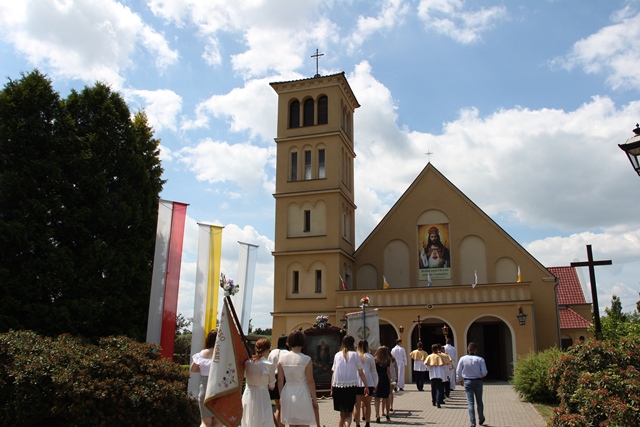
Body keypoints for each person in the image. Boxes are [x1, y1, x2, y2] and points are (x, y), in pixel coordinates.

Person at [278, 330, 319, 427]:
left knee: (292, 424)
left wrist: (281, 396)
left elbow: (280, 380)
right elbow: (310, 381)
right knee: (303, 423)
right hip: (302, 393)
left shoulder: (282, 358)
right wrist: (314, 399)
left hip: (287, 392)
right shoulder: (306, 359)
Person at [331, 335, 369, 427]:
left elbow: (333, 373)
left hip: (338, 386)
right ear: (352, 344)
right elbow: (361, 372)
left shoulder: (337, 355)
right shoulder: (354, 355)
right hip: (351, 387)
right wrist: (366, 385)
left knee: (342, 413)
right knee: (349, 413)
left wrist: (331, 387)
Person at [190, 329, 222, 427]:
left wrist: (204, 369)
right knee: (218, 422)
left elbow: (193, 369)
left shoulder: (203, 353)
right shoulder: (223, 353)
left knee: (205, 422)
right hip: (219, 388)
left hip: (205, 387)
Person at [242, 338, 276, 427]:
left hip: (248, 393)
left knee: (248, 419)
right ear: (267, 350)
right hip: (262, 395)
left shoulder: (247, 363)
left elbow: (244, 376)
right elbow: (272, 385)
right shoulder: (269, 365)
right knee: (264, 419)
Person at [456, 342, 488, 427]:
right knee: (479, 401)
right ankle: (481, 418)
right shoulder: (480, 359)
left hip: (468, 381)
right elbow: (484, 372)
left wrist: (460, 379)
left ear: (468, 349)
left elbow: (458, 370)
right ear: (476, 350)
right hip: (478, 381)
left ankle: (473, 422)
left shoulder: (463, 359)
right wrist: (480, 375)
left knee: (470, 402)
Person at [354, 340, 377, 427]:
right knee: (368, 405)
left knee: (357, 405)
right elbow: (373, 371)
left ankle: (357, 424)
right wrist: (375, 383)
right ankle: (367, 423)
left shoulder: (355, 356)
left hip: (357, 382)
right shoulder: (370, 357)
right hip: (369, 382)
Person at [268, 334, 289, 427]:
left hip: (273, 379)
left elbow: (268, 366)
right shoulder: (287, 353)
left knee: (278, 407)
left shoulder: (272, 352)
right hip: (283, 379)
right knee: (283, 408)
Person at [424, 343, 450, 408]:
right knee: (439, 389)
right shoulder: (440, 356)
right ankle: (438, 402)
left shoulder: (429, 356)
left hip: (432, 375)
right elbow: (444, 366)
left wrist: (429, 368)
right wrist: (446, 372)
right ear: (437, 349)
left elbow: (426, 365)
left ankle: (434, 401)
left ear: (431, 349)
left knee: (433, 389)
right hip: (439, 375)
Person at [373, 346, 391, 422]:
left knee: (377, 398)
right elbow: (388, 372)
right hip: (385, 378)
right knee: (386, 397)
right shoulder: (387, 360)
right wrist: (389, 381)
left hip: (377, 378)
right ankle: (387, 414)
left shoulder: (375, 360)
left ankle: (377, 415)